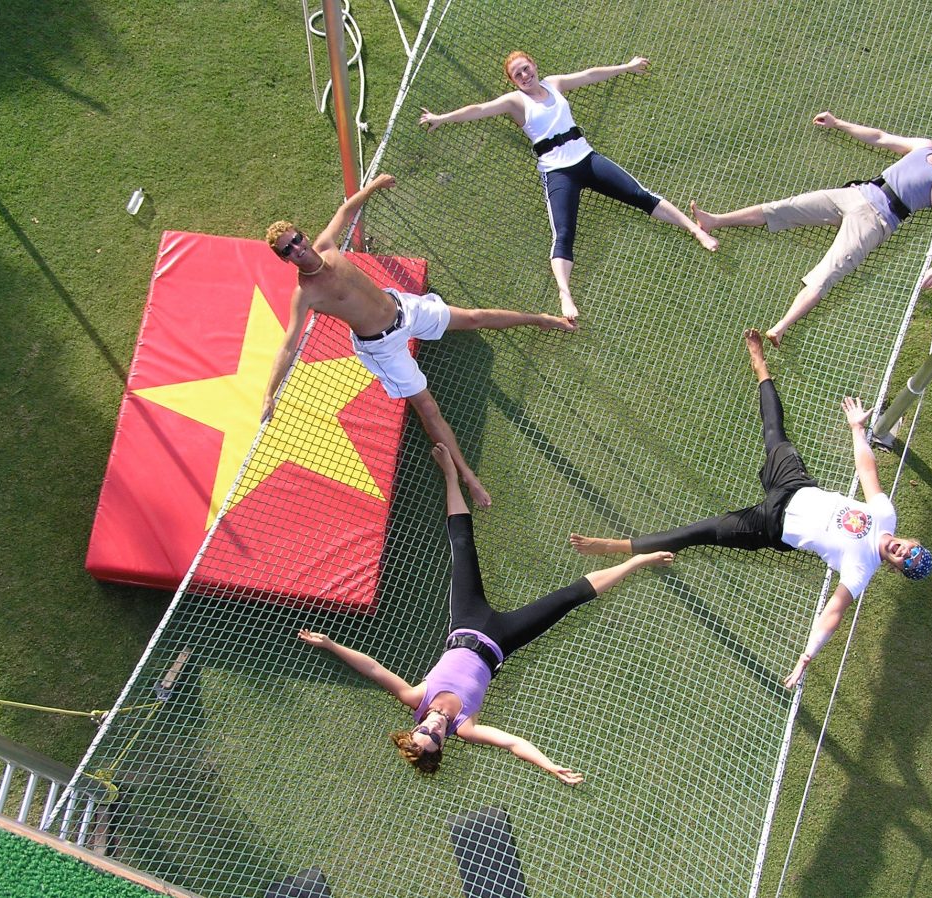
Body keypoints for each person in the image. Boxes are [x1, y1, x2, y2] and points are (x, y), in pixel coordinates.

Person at [569, 329, 932, 689]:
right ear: (910, 540)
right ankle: (760, 363)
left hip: (769, 525)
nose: (903, 552)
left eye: (905, 561)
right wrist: (856, 429)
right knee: (775, 431)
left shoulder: (861, 569)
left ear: (896, 567)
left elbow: (833, 614)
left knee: (701, 531)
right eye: (911, 549)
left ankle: (620, 546)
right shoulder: (885, 516)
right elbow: (867, 472)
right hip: (795, 485)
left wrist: (807, 654)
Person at [298, 443, 672, 783]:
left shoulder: (417, 698)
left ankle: (450, 475)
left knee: (462, 546)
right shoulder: (466, 727)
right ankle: (638, 560)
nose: (434, 730)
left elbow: (373, 668)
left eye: (424, 733)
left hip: (466, 622)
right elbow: (512, 743)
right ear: (443, 745)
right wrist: (548, 765)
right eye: (436, 741)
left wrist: (331, 644)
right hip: (503, 640)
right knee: (570, 597)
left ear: (414, 728)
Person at [264, 174, 576, 508]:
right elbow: (288, 345)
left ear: (304, 234)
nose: (297, 248)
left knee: (474, 318)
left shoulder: (327, 246)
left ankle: (541, 320)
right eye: (288, 249)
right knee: (427, 407)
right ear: (284, 259)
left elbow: (345, 210)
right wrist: (269, 394)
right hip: (382, 347)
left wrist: (372, 187)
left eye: (296, 239)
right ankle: (468, 478)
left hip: (404, 308)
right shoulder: (305, 294)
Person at [420, 51, 718, 322]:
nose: (525, 76)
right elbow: (478, 108)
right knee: (563, 234)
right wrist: (441, 118)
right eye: (518, 75)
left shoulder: (554, 84)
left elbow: (590, 74)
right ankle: (565, 293)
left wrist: (626, 67)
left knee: (640, 195)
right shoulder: (515, 102)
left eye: (526, 69)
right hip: (558, 172)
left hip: (587, 159)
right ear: (513, 81)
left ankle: (696, 231)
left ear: (534, 65)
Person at [690, 113, 932, 346]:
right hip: (855, 194)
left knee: (828, 272)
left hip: (876, 221)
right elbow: (880, 137)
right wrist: (838, 123)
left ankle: (780, 328)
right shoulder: (924, 146)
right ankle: (715, 220)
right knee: (784, 207)